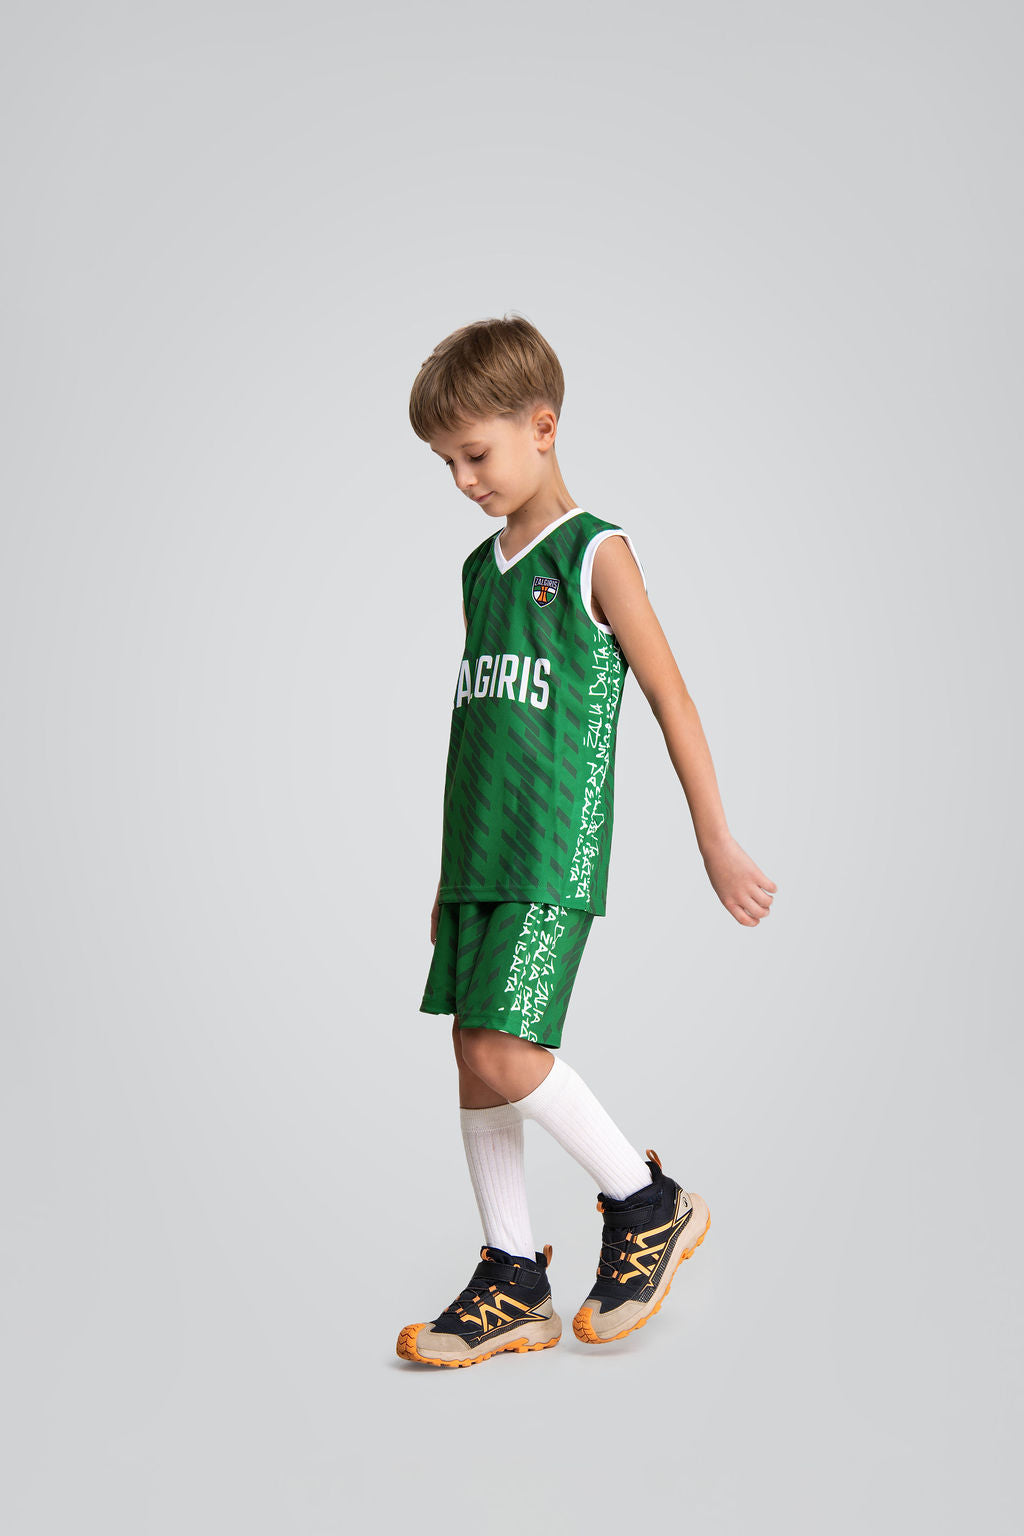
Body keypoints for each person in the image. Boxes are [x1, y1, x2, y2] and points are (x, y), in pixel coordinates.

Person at [396, 313, 777, 1368]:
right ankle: (513, 1278)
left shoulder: (595, 552)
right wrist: (444, 874)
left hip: (546, 853)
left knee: (502, 1049)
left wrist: (714, 837)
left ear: (542, 426)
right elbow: (478, 726)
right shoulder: (480, 571)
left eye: (476, 454)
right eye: (446, 463)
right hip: (478, 856)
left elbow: (670, 695)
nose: (463, 480)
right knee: (471, 1054)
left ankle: (648, 1202)